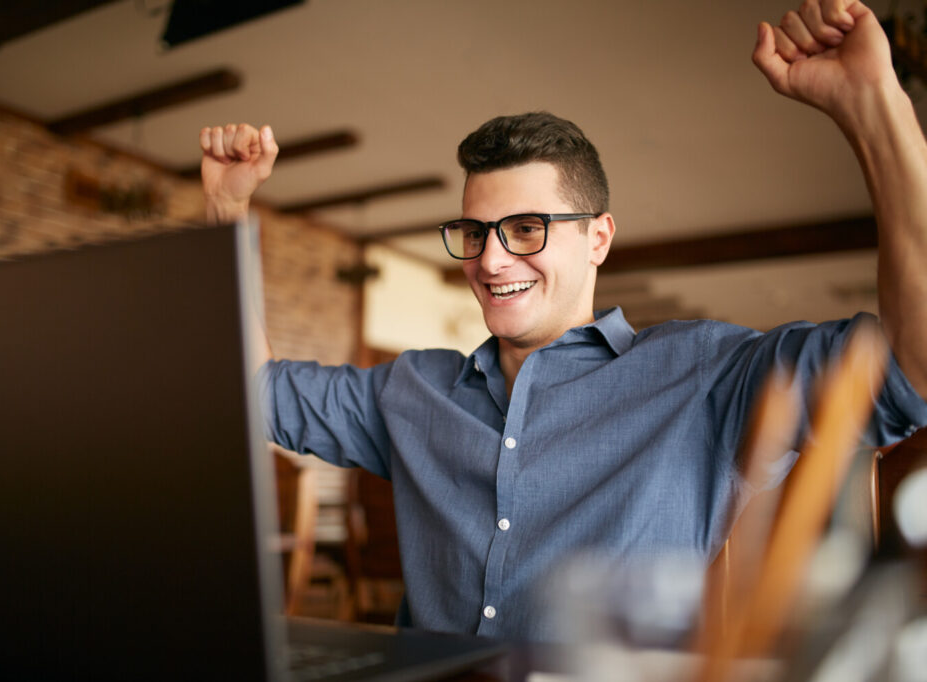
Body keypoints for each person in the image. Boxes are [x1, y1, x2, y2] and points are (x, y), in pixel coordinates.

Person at [199, 0, 927, 642]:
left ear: (598, 238)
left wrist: (875, 107)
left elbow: (912, 367)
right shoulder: (410, 392)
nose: (489, 259)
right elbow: (252, 387)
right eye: (475, 232)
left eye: (524, 228)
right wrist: (226, 216)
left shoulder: (705, 375)